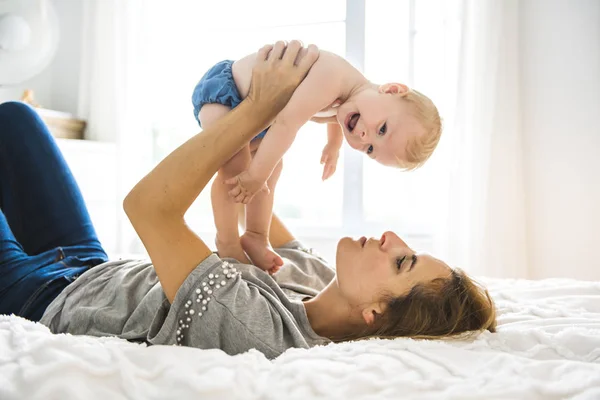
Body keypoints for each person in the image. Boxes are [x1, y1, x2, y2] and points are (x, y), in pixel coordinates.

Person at [0, 42, 496, 360]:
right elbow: (251, 196)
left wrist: (259, 107)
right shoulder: (320, 279)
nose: (392, 239)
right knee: (17, 119)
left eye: (402, 261)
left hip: (38, 296)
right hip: (89, 265)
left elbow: (146, 208)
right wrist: (264, 147)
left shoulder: (258, 331)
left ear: (374, 315)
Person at [192, 45, 442, 274]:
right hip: (226, 94)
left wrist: (333, 145)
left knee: (273, 167)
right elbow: (286, 122)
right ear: (391, 89)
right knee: (238, 168)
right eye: (382, 129)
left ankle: (256, 235)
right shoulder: (333, 76)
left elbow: (337, 115)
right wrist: (256, 175)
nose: (365, 136)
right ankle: (226, 240)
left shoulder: (353, 98)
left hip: (258, 118)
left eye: (369, 149)